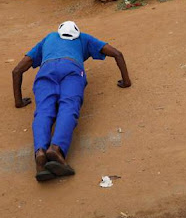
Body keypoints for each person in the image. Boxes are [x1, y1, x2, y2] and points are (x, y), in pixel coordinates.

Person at [12, 21, 131, 182]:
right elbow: (117, 53)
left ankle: (40, 152)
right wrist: (126, 81)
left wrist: (18, 102)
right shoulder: (84, 38)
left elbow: (17, 70)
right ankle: (57, 149)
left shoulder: (49, 38)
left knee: (44, 112)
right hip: (72, 69)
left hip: (46, 71)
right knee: (68, 107)